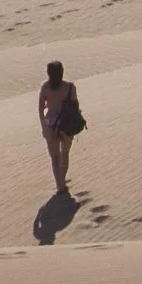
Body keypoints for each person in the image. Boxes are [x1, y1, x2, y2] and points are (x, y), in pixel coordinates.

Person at [36, 61, 84, 194]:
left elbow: (40, 109)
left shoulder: (45, 87)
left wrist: (43, 126)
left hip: (50, 123)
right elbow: (75, 106)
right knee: (65, 153)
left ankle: (60, 186)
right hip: (66, 124)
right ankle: (61, 180)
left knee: (55, 158)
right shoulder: (70, 87)